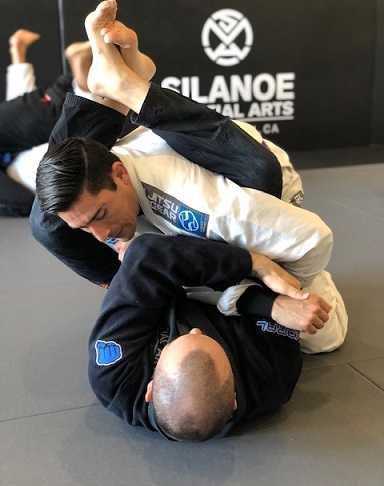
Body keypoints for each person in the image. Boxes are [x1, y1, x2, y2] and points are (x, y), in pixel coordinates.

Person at [32, 0, 347, 354]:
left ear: (118, 174)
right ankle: (116, 93)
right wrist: (132, 276)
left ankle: (124, 91)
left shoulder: (208, 212)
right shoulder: (108, 177)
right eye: (87, 227)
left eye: (100, 216)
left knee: (323, 336)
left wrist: (272, 292)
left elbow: (315, 240)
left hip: (251, 178)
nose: (102, 237)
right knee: (47, 224)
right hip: (163, 159)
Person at [89, 232, 304, 441]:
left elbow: (146, 253)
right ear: (234, 401)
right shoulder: (272, 377)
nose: (195, 330)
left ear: (150, 390)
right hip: (234, 272)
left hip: (171, 266)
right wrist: (257, 283)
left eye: (173, 343)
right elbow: (285, 293)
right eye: (211, 340)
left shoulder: (114, 378)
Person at [0, 29, 93, 216]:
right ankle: (19, 51)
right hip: (34, 107)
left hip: (40, 115)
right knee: (48, 107)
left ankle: (79, 64)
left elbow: (23, 202)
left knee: (87, 122)